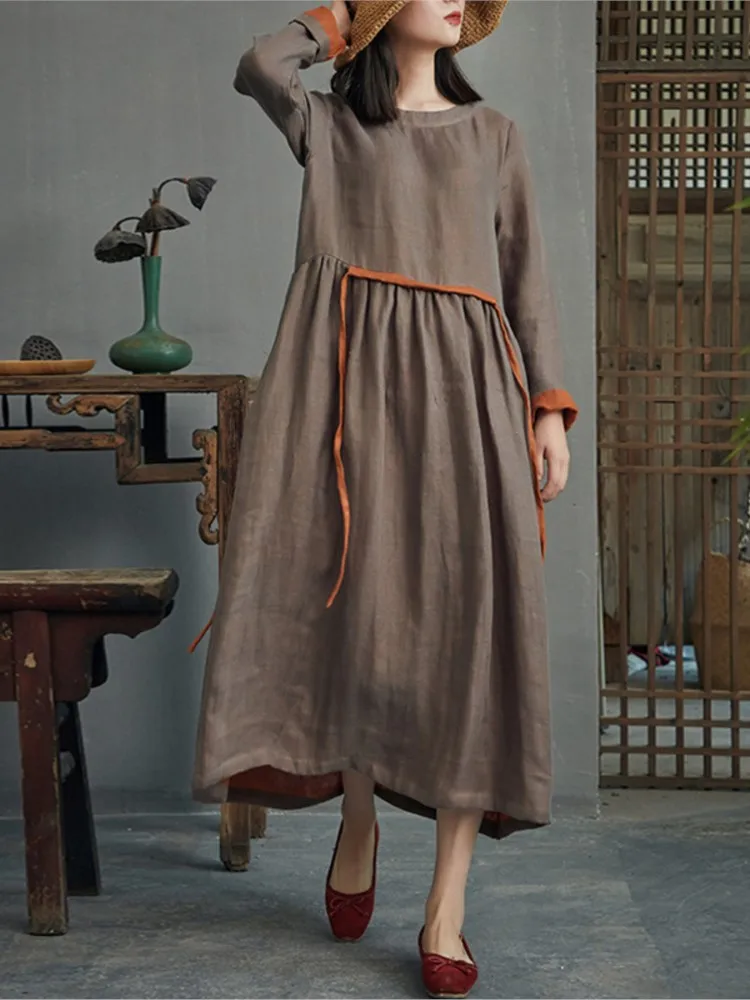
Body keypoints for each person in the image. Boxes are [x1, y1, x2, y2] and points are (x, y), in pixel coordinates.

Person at [193, 2, 578, 996]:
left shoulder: (494, 136)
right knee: (362, 621)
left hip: (469, 405)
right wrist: (343, 18)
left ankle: (446, 904)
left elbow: (528, 278)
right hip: (347, 400)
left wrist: (547, 410)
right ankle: (358, 815)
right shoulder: (330, 127)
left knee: (469, 638)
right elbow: (259, 63)